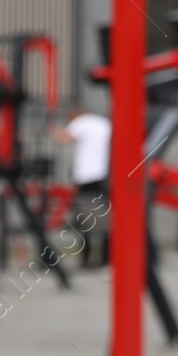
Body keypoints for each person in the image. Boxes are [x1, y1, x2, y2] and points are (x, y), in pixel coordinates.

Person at [48, 107, 111, 267]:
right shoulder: (104, 123)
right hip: (105, 176)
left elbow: (63, 138)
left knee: (86, 219)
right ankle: (105, 257)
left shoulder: (81, 122)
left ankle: (87, 259)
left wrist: (52, 128)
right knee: (104, 218)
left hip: (87, 177)